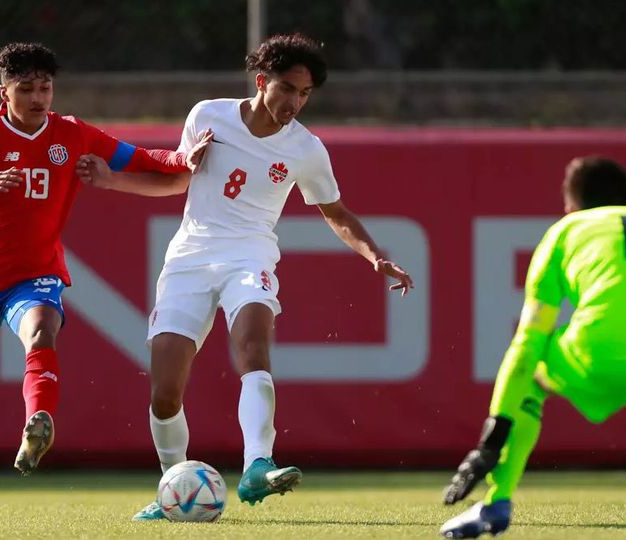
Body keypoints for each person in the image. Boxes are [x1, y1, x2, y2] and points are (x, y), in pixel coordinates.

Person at [76, 33, 414, 520]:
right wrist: (111, 179)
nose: (295, 102)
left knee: (253, 346)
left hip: (250, 254)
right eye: (288, 89)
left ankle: (258, 463)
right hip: (190, 256)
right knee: (165, 391)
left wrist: (373, 256)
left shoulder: (306, 149)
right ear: (261, 82)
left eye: (305, 94)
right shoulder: (207, 116)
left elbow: (335, 212)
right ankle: (172, 491)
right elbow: (179, 178)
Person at [0, 42, 210, 476]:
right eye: (25, 88)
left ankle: (37, 421)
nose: (38, 98)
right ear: (4, 93)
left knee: (42, 332)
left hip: (36, 273)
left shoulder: (72, 132)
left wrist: (181, 158)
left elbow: (135, 156)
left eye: (45, 88)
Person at [440, 156, 626, 538]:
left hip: (600, 353)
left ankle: (497, 501)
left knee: (535, 371)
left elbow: (528, 341)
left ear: (570, 205)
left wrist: (494, 436)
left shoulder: (564, 231)